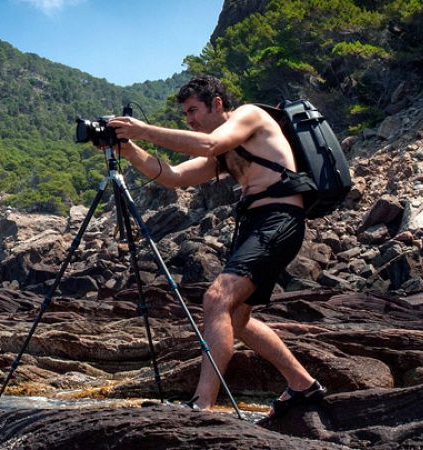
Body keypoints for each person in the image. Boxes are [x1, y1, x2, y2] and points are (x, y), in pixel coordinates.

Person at [105, 75, 326, 416]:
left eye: (194, 110)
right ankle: (303, 385)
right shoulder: (225, 151)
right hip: (257, 222)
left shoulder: (250, 115)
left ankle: (202, 405)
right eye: (186, 115)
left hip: (279, 217)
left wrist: (143, 130)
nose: (190, 119)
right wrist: (130, 150)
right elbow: (175, 176)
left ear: (218, 104)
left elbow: (207, 145)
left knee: (216, 298)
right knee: (237, 317)